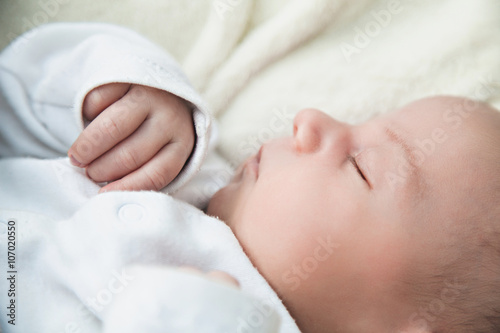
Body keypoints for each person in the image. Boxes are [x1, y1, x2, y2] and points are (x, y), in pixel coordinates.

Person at [1, 23, 500, 333]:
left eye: (362, 166)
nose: (311, 119)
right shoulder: (183, 169)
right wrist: (126, 96)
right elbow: (15, 94)